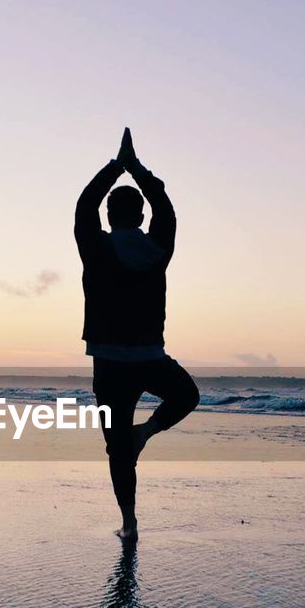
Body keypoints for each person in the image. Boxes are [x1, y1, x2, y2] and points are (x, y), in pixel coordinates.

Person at [75, 128, 199, 541]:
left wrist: (116, 166)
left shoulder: (95, 249)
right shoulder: (157, 250)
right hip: (148, 359)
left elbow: (83, 204)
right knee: (187, 396)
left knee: (117, 449)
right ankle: (144, 432)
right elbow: (167, 208)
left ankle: (129, 522)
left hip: (110, 365)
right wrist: (136, 168)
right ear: (141, 217)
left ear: (110, 216)